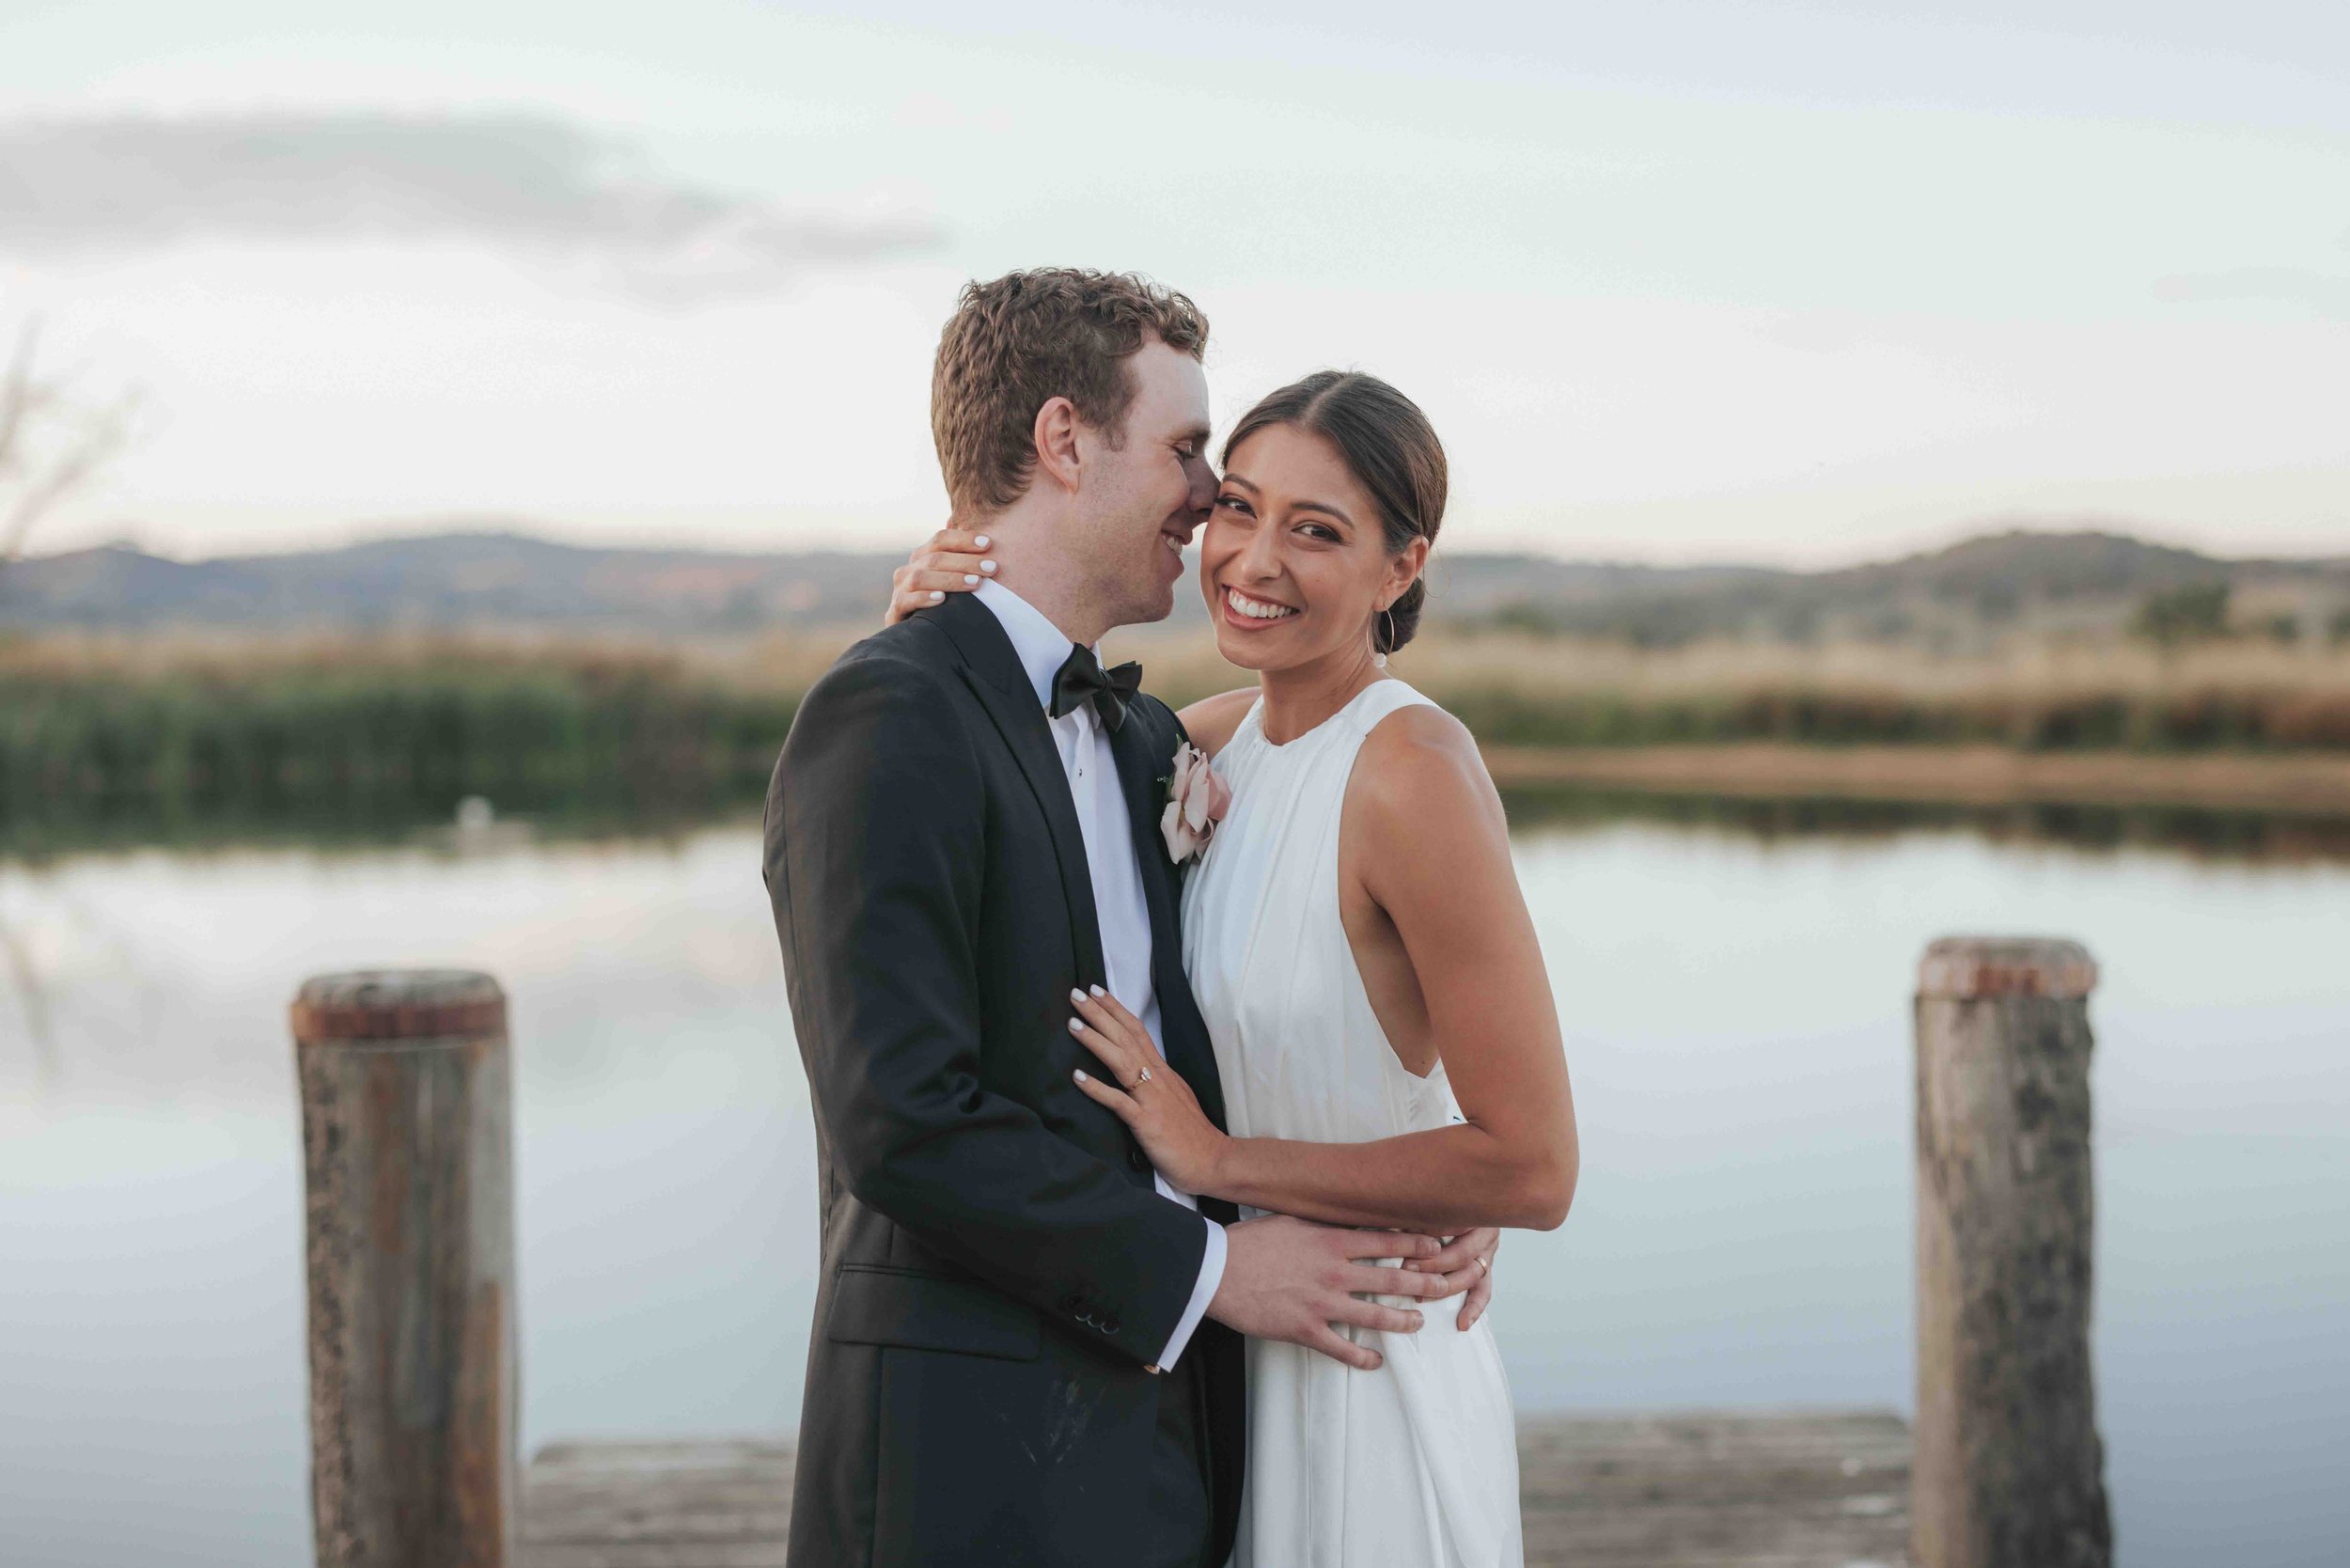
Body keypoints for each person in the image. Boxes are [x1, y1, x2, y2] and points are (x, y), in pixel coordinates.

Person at [764, 270, 1489, 1568]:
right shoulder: (891, 713)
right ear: (1062, 442)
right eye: (1189, 449)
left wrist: (1436, 1169)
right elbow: (903, 1120)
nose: (1210, 496)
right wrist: (1217, 1273)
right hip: (970, 1464)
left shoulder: (1146, 735)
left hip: (1181, 1446)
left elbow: (1302, 841)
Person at [885, 366, 1581, 1566]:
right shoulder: (1198, 740)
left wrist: (1217, 1159)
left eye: (1317, 532)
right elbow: (994, 751)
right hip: (1220, 1369)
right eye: (1239, 508)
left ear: (1400, 568)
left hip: (1366, 1366)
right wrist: (919, 628)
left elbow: (1531, 1165)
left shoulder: (1412, 770)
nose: (1254, 561)